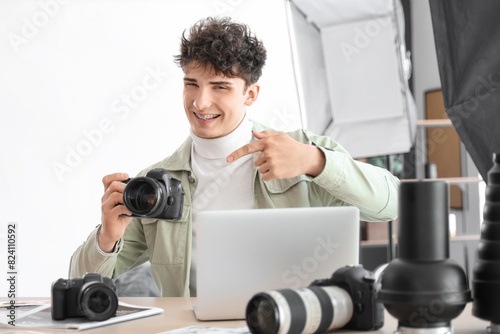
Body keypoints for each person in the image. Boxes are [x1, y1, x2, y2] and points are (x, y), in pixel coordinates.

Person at [69, 17, 399, 297]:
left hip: (292, 323)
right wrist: (106, 238)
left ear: (250, 94)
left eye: (220, 87)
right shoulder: (155, 183)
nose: (200, 102)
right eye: (191, 84)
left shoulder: (302, 152)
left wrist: (316, 162)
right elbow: (78, 284)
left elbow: (392, 202)